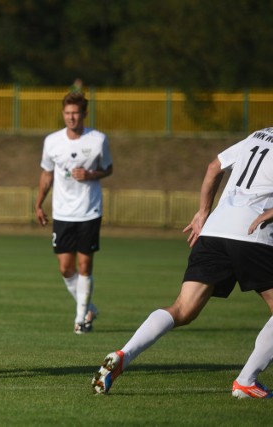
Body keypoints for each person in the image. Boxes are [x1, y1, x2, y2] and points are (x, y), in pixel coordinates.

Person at [92, 127, 273, 399]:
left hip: (214, 230)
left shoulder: (259, 135)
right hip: (253, 234)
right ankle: (246, 381)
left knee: (182, 308)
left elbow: (214, 167)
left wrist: (202, 213)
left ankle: (123, 355)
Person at [35, 91, 113, 335]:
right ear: (63, 114)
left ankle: (81, 319)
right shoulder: (52, 141)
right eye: (67, 113)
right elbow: (47, 174)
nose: (71, 118)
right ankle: (89, 306)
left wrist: (91, 175)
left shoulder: (98, 139)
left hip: (89, 211)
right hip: (62, 212)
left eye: (76, 113)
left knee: (85, 264)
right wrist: (39, 203)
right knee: (66, 268)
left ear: (84, 114)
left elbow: (108, 168)